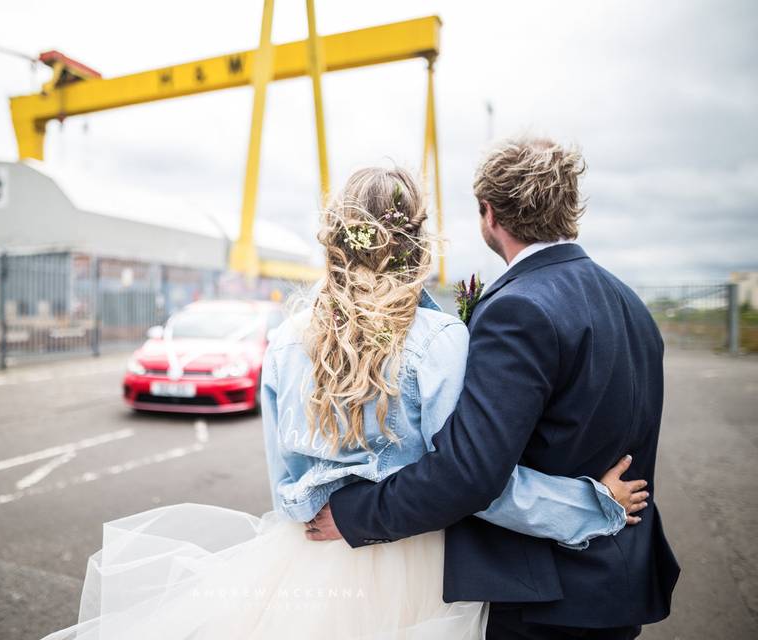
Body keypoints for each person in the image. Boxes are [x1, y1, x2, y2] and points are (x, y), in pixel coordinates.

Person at [40, 164, 650, 640]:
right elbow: (474, 481)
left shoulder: (286, 340)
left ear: (338, 237)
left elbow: (285, 487)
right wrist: (588, 506)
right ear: (415, 241)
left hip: (306, 558)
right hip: (416, 566)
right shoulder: (440, 341)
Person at [308, 140, 681, 639]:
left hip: (542, 595)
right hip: (620, 583)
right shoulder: (631, 305)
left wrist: (355, 515)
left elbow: (470, 472)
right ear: (571, 206)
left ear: (488, 214)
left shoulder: (518, 308)